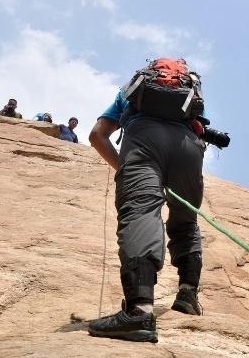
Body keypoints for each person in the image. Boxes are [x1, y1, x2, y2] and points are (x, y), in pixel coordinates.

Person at [87, 58, 207, 343]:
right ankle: (188, 294)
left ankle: (139, 312)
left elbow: (97, 136)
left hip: (143, 141)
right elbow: (200, 126)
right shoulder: (190, 91)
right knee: (186, 220)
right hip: (188, 149)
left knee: (140, 212)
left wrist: (128, 170)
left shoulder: (131, 91)